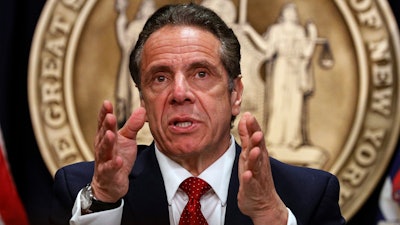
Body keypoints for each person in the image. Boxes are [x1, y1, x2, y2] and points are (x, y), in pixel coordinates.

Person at [49, 3, 346, 225]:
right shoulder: (84, 190)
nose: (180, 93)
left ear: (235, 94)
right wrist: (104, 201)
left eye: (201, 74)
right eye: (160, 78)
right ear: (143, 100)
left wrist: (270, 216)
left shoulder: (308, 195)